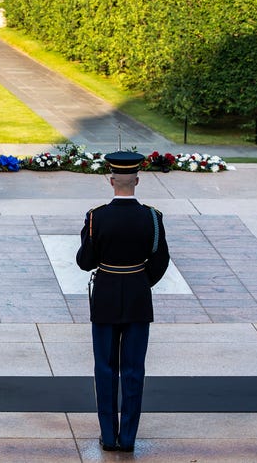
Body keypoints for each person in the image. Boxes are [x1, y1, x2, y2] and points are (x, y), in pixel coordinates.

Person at [76, 150, 170, 453]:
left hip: (104, 296)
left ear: (112, 179)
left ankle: (108, 435)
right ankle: (128, 438)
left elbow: (84, 261)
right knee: (133, 369)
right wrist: (141, 281)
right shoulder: (152, 218)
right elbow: (160, 261)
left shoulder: (96, 217)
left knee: (105, 368)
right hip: (138, 298)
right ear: (137, 180)